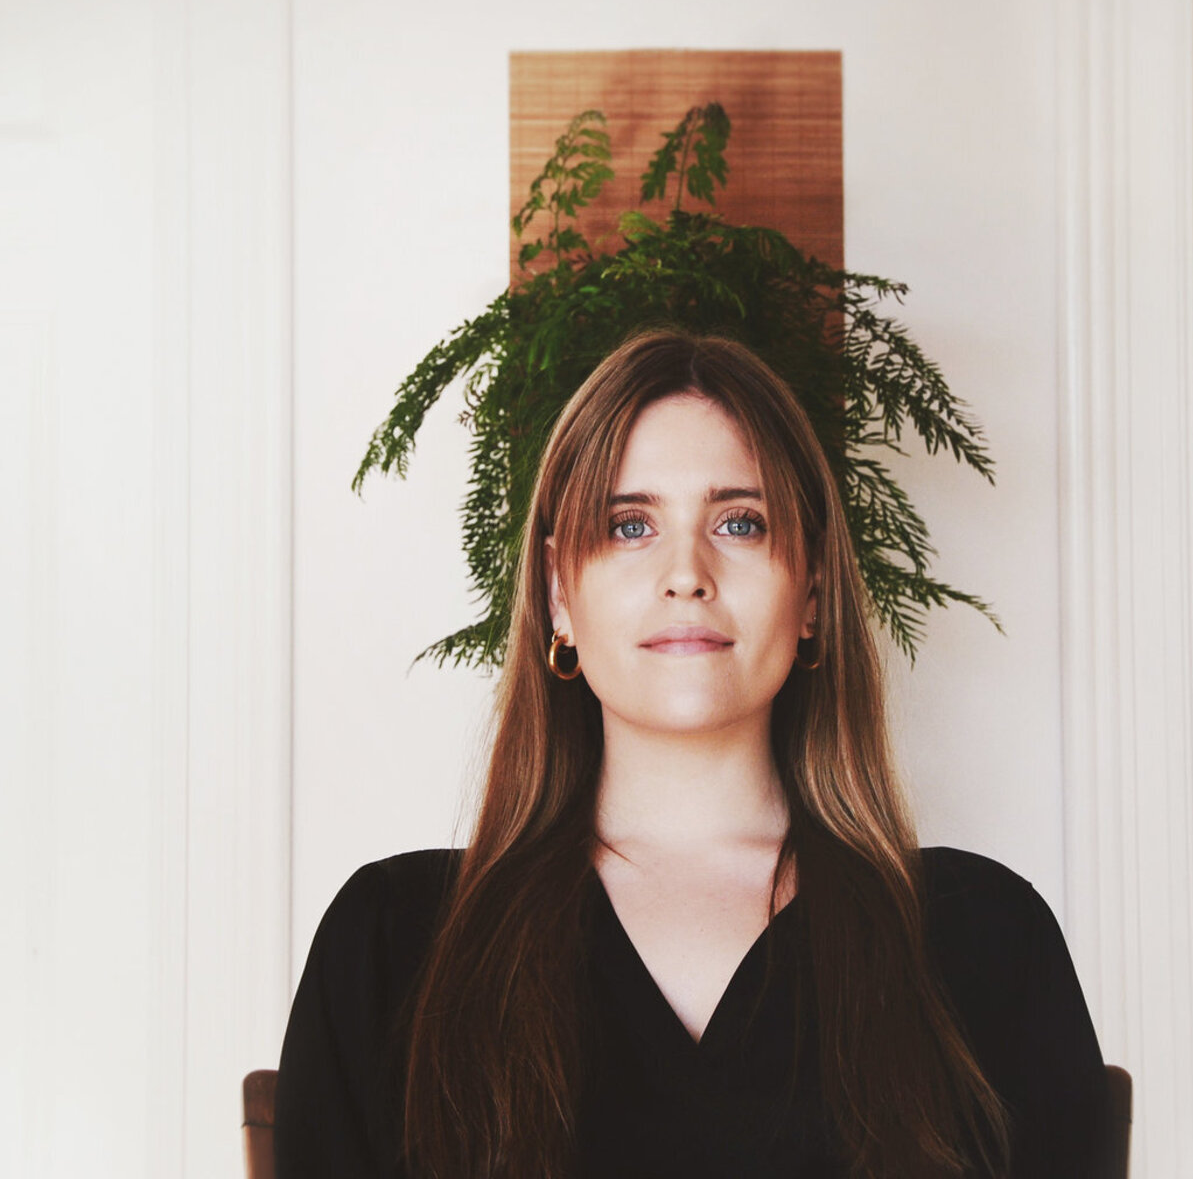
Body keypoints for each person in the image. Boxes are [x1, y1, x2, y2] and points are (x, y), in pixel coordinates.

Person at [274, 331, 1109, 1179]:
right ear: (559, 593)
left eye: (739, 523)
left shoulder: (986, 942)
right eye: (629, 525)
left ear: (812, 589)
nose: (686, 573)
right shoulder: (391, 948)